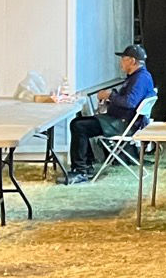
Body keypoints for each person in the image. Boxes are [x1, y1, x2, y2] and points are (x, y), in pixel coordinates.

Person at [65, 44, 156, 183]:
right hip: (122, 120)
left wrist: (109, 95)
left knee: (79, 126)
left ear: (132, 61)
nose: (121, 62)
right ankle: (85, 165)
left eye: (123, 59)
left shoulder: (140, 78)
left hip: (123, 124)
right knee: (79, 122)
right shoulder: (139, 77)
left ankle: (81, 170)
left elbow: (130, 102)